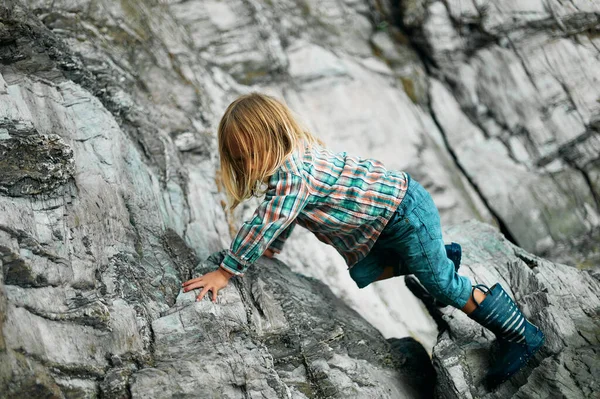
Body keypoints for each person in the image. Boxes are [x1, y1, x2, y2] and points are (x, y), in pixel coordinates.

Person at [181, 93, 545, 387]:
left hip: (405, 214)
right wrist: (274, 248)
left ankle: (520, 335)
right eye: (241, 158)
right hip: (390, 219)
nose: (249, 164)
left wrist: (227, 272)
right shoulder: (293, 164)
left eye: (251, 154)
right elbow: (287, 215)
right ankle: (436, 255)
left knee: (441, 284)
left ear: (272, 137)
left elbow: (267, 220)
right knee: (370, 269)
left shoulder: (292, 174)